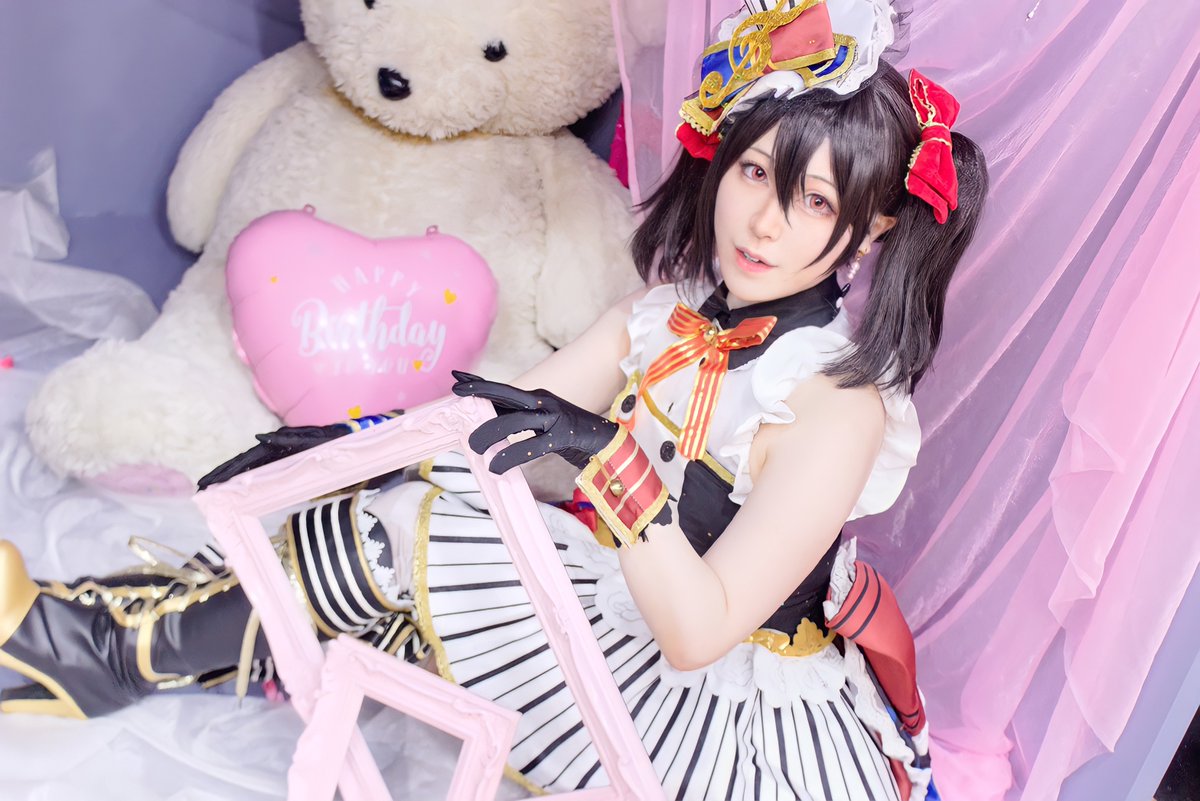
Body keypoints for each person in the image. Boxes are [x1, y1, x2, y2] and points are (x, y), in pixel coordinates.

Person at [0, 1, 987, 798]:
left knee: (409, 534)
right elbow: (482, 420)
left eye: (815, 202)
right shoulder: (668, 315)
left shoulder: (837, 406)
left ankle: (100, 650)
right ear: (722, 160)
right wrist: (338, 444)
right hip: (618, 602)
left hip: (716, 719)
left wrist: (608, 462)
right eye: (757, 172)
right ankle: (107, 643)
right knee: (402, 506)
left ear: (871, 231)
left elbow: (699, 632)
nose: (764, 223)